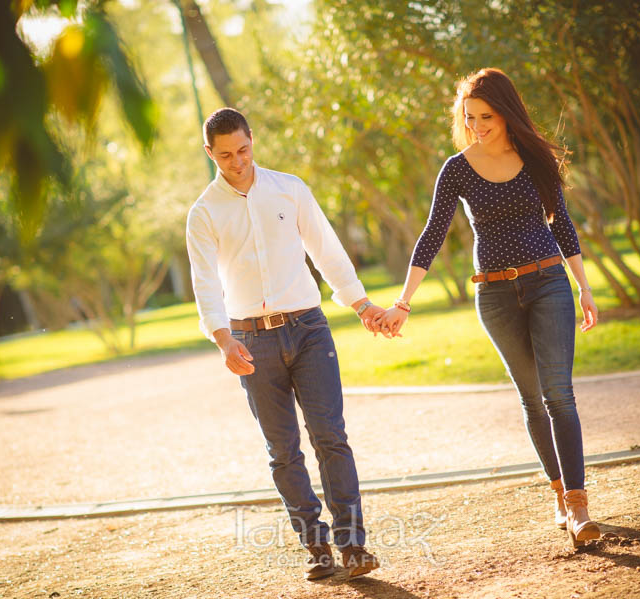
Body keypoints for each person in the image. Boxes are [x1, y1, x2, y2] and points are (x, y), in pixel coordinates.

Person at [377, 68, 601, 548]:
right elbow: (433, 233)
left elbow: (562, 225)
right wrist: (403, 302)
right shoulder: (457, 168)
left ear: (506, 113)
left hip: (548, 283)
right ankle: (559, 495)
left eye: (487, 116)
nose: (478, 125)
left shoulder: (535, 158)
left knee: (558, 394)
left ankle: (580, 507)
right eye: (470, 117)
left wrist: (583, 287)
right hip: (495, 295)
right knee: (531, 398)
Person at [185, 108, 383, 579]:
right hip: (252, 341)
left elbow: (327, 250)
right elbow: (205, 283)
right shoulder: (204, 213)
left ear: (253, 139)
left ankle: (353, 546)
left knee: (331, 437)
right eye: (227, 155)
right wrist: (222, 339)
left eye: (244, 150)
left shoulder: (289, 189)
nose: (238, 162)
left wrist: (361, 305)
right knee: (283, 451)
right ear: (210, 153)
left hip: (309, 329)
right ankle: (316, 548)